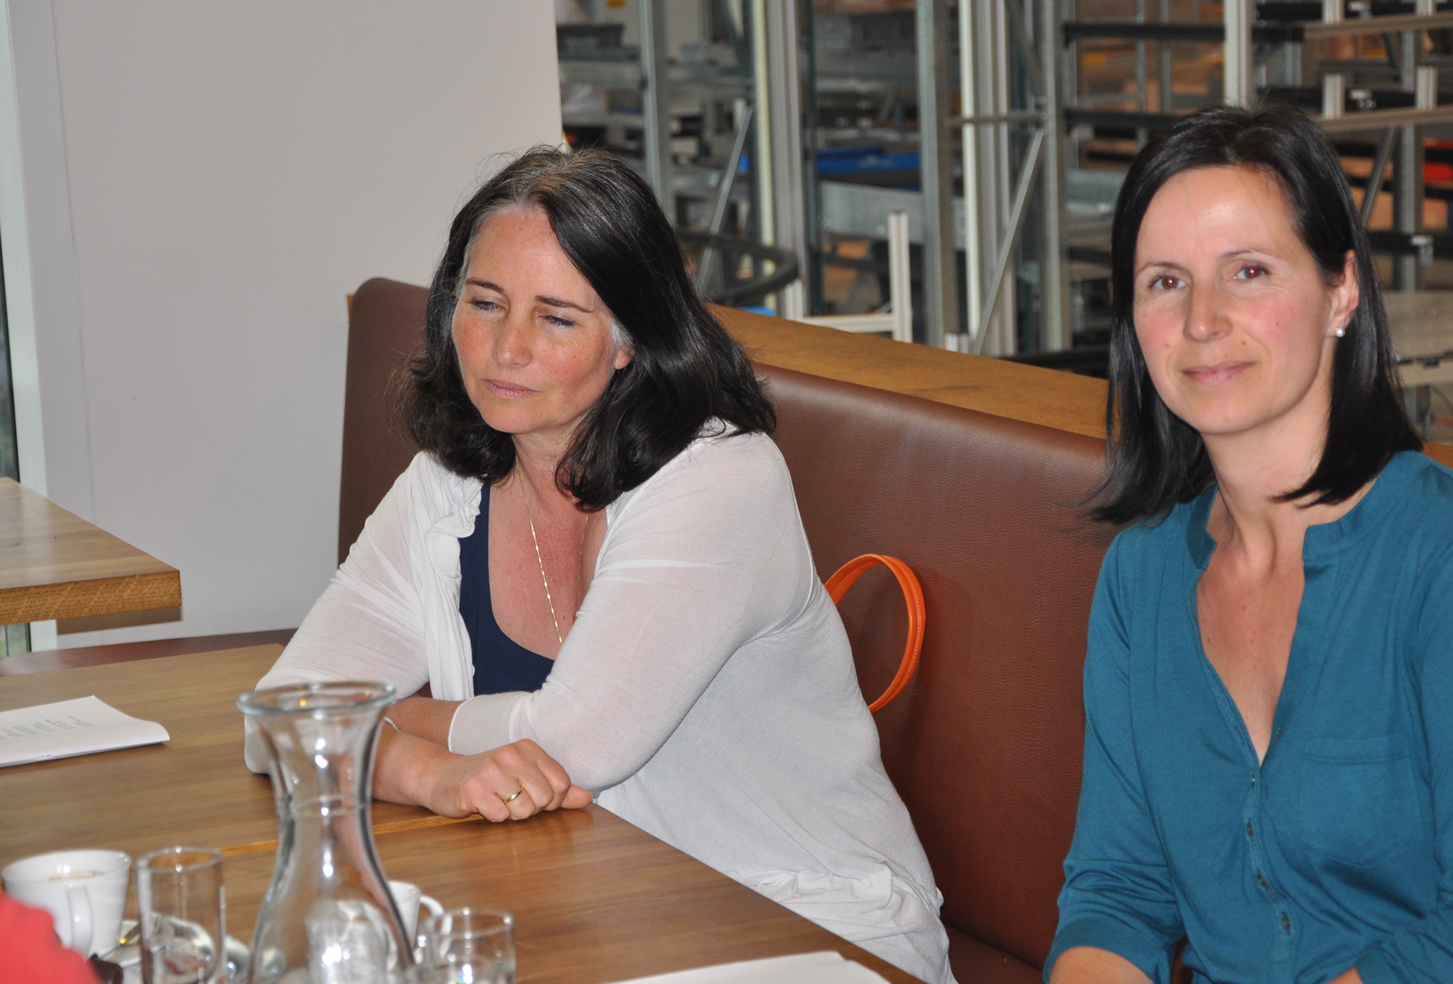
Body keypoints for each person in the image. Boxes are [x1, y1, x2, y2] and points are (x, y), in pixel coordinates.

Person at [249, 147, 955, 984]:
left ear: (629, 340)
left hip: (802, 926)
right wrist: (422, 770)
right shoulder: (446, 485)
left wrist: (400, 715)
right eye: (484, 303)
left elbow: (573, 744)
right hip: (597, 911)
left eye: (556, 318)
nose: (505, 349)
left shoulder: (720, 477)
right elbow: (279, 722)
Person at [1047, 105, 1453, 984]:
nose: (1201, 319)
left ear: (1341, 291)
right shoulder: (1140, 576)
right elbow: (1119, 891)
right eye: (1165, 281)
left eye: (1249, 271)